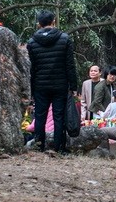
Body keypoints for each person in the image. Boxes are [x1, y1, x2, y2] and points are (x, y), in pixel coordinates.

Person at [26, 10, 78, 154]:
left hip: (40, 86)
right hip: (60, 84)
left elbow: (31, 68)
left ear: (39, 24)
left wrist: (30, 90)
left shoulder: (32, 42)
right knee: (59, 116)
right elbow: (70, 65)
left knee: (40, 116)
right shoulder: (64, 39)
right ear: (53, 22)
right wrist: (73, 86)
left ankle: (38, 146)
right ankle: (59, 148)